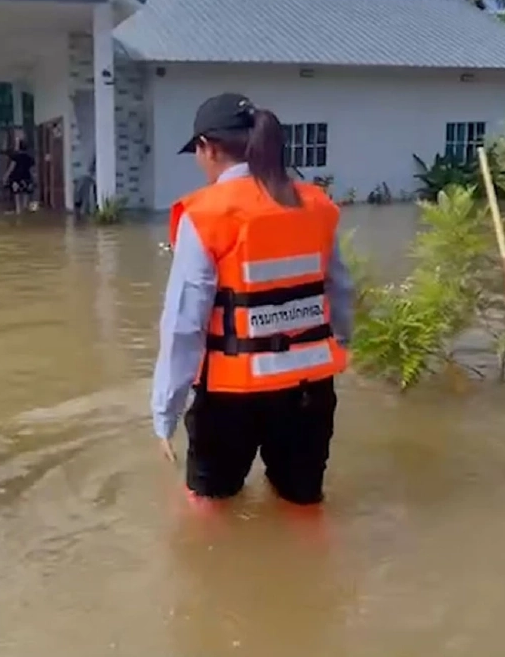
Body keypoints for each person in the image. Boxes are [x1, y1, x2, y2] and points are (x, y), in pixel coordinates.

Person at [151, 92, 355, 509]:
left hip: (230, 395)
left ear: (208, 147)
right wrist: (341, 344)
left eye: (197, 152)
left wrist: (165, 413)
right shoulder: (315, 204)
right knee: (304, 506)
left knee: (209, 507)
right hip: (309, 389)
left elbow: (184, 324)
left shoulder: (207, 214)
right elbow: (341, 290)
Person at [4, 139, 36, 213]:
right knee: (26, 194)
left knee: (17, 194)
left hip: (16, 178)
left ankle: (18, 210)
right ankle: (25, 208)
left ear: (19, 147)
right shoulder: (30, 158)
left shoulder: (15, 157)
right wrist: (34, 179)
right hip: (26, 177)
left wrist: (5, 177)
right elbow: (32, 170)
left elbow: (11, 168)